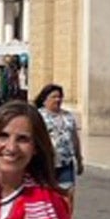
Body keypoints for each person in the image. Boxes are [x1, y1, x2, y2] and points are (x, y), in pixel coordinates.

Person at [33, 83, 83, 211]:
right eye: (54, 97)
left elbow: (74, 138)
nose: (58, 100)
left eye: (60, 97)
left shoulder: (68, 116)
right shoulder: (38, 116)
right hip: (46, 163)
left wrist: (79, 158)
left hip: (66, 161)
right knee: (46, 194)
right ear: (44, 100)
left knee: (68, 195)